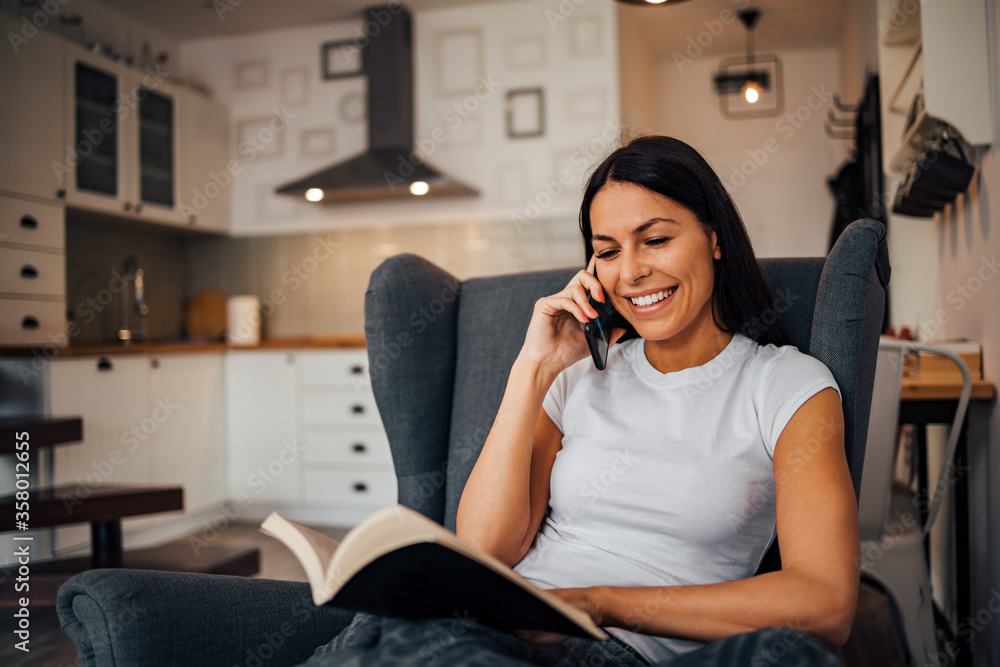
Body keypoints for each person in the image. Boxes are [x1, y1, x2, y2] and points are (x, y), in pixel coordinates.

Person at [301, 136, 858, 666]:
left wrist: (597, 603)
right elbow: (484, 550)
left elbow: (824, 602)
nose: (632, 272)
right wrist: (534, 369)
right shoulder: (577, 378)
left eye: (656, 239)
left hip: (604, 647)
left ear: (714, 237)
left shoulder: (785, 384)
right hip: (484, 626)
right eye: (607, 251)